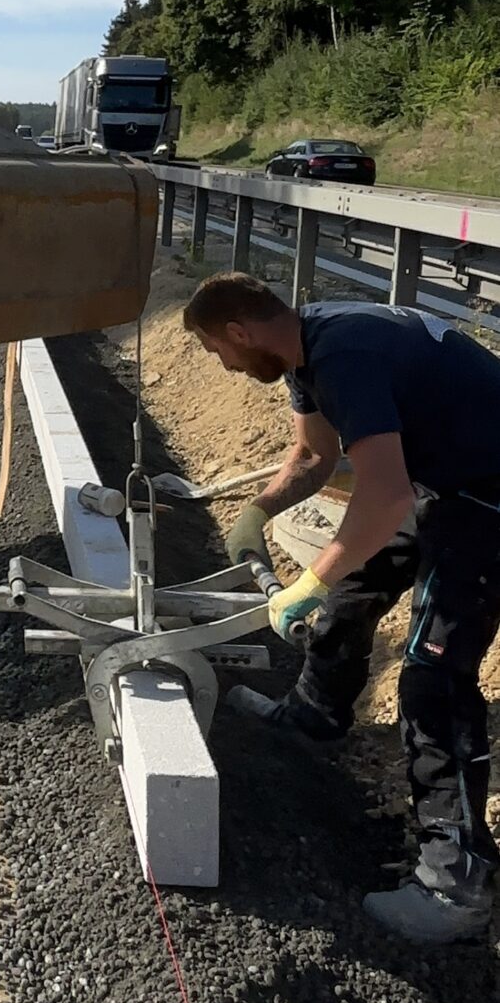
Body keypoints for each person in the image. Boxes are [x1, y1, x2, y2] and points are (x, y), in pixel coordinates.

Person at [184, 270, 500, 947]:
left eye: (219, 352)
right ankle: (316, 716)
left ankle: (457, 880)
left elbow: (383, 496)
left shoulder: (344, 355)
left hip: (488, 495)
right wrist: (258, 510)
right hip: (451, 477)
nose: (227, 367)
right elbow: (313, 453)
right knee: (357, 584)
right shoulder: (305, 350)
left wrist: (308, 582)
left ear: (240, 332)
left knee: (433, 674)